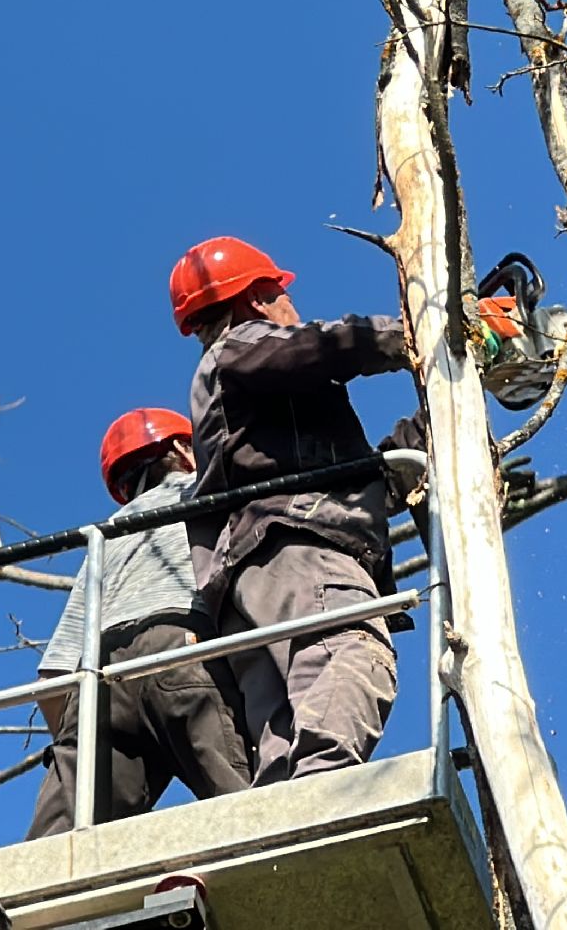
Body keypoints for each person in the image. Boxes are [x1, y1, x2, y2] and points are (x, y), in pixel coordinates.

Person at [167, 236, 418, 787]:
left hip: (253, 577)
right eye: (282, 295)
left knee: (281, 734)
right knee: (351, 654)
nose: (292, 308)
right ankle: (324, 801)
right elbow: (320, 345)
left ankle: (290, 815)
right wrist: (417, 335)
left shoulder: (256, 407)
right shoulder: (242, 347)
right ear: (256, 297)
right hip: (298, 553)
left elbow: (355, 483)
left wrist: (422, 435)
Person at [27, 408, 253, 837]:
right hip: (183, 644)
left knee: (59, 845)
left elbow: (52, 679)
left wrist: (80, 742)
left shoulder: (107, 535)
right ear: (182, 449)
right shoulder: (205, 493)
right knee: (250, 812)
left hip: (98, 677)